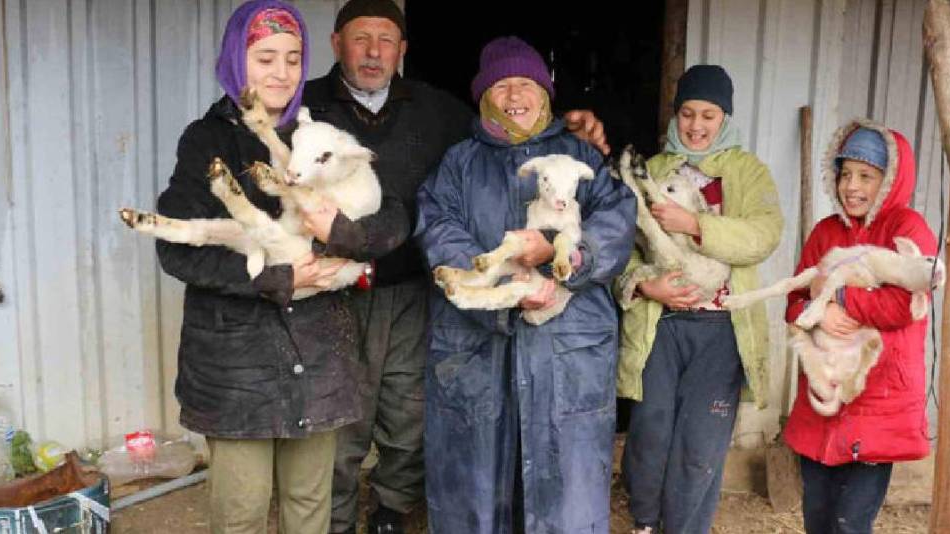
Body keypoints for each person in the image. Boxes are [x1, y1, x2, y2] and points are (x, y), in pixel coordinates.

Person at [300, 3, 609, 532]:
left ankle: (392, 511)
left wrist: (563, 255)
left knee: (415, 416)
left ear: (403, 49)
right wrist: (494, 273)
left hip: (447, 298)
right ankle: (335, 520)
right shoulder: (305, 108)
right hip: (338, 286)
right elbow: (439, 218)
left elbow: (604, 213)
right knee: (343, 417)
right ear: (336, 44)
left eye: (386, 39)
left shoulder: (443, 113)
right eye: (361, 39)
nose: (374, 52)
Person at [154, 2, 404, 532]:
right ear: (235, 62)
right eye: (265, 58)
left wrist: (340, 232)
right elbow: (176, 249)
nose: (281, 73)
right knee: (242, 515)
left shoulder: (321, 134)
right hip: (236, 368)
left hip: (316, 358)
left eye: (293, 59)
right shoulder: (207, 139)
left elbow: (396, 216)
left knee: (310, 511)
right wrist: (280, 278)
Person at [415, 36, 635, 534]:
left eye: (526, 83)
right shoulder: (459, 163)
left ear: (546, 93)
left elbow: (618, 222)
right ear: (483, 97)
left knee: (564, 491)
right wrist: (505, 278)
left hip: (565, 343)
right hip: (479, 341)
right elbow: (437, 229)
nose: (515, 94)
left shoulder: (583, 158)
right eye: (501, 85)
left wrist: (566, 259)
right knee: (477, 492)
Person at [614, 64, 783, 534]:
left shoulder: (748, 172)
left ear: (724, 117)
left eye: (709, 115)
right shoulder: (658, 169)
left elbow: (764, 234)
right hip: (663, 325)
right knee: (650, 434)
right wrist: (645, 285)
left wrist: (695, 226)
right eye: (688, 113)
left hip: (721, 330)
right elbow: (621, 248)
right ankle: (646, 522)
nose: (696, 125)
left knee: (699, 445)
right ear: (676, 114)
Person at [783, 119, 936, 534]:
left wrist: (839, 298)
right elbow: (794, 303)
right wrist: (812, 309)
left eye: (867, 176)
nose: (852, 186)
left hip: (877, 399)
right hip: (823, 394)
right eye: (845, 174)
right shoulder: (826, 232)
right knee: (817, 517)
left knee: (850, 523)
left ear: (890, 182)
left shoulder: (908, 230)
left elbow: (905, 304)